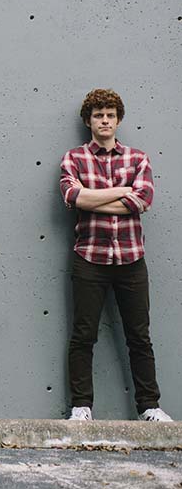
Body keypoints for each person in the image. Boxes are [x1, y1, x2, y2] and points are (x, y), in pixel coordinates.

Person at [59, 88, 171, 422]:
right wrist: (122, 191)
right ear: (88, 121)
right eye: (98, 115)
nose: (104, 120)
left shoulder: (138, 158)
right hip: (89, 259)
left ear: (118, 120)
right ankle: (81, 407)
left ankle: (149, 407)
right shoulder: (74, 159)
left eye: (109, 115)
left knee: (139, 336)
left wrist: (94, 198)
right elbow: (72, 196)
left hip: (131, 260)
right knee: (83, 335)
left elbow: (143, 201)